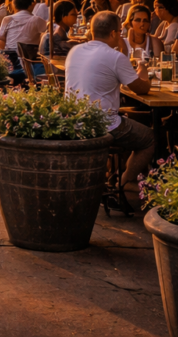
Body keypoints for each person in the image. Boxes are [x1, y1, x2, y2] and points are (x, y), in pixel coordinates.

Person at [64, 12, 155, 212]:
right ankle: (125, 182)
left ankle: (117, 178)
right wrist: (143, 71)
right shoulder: (114, 57)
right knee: (148, 137)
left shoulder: (75, 51)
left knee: (129, 121)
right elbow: (142, 89)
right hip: (101, 123)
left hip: (73, 119)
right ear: (115, 33)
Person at [0, 0, 47, 83]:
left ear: (13, 4)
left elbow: (0, 40)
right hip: (29, 66)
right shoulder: (36, 20)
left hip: (9, 64)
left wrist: (2, 58)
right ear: (33, 4)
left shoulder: (7, 19)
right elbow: (50, 30)